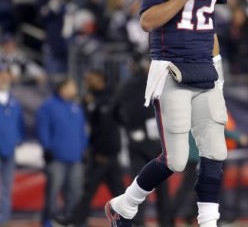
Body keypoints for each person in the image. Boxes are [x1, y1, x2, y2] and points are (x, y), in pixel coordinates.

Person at [105, 0, 230, 226]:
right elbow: (148, 21)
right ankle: (126, 203)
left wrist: (219, 73)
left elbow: (207, 29)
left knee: (215, 151)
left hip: (205, 70)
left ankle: (208, 222)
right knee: (175, 160)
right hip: (171, 68)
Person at [53, 70, 125, 227]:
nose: (86, 81)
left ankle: (75, 219)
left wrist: (103, 152)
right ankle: (76, 219)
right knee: (100, 190)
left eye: (89, 78)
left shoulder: (110, 98)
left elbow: (108, 128)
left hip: (105, 154)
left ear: (99, 79)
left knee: (95, 190)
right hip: (99, 152)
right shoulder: (91, 99)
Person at [110, 54, 171, 227]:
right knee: (161, 189)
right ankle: (165, 223)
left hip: (138, 141)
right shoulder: (157, 83)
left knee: (138, 187)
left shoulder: (126, 85)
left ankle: (137, 223)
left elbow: (113, 111)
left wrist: (127, 125)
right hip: (157, 142)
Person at [36, 78, 88, 227]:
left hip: (75, 157)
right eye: (71, 86)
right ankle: (49, 221)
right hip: (56, 157)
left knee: (75, 192)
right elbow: (43, 129)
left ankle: (71, 220)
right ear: (62, 88)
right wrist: (47, 148)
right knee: (53, 192)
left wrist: (83, 149)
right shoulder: (48, 106)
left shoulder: (76, 107)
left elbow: (82, 131)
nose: (75, 88)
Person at [0, 64, 25, 226]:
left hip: (9, 150)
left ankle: (3, 219)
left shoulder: (14, 101)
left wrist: (17, 139)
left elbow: (19, 124)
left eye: (6, 75)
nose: (4, 78)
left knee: (7, 186)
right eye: (1, 75)